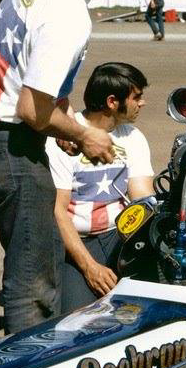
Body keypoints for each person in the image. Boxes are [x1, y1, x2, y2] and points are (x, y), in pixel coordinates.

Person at [0, 0, 142, 334]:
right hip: (9, 144)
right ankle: (30, 364)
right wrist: (83, 133)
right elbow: (32, 108)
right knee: (33, 275)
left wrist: (60, 127)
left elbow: (30, 68)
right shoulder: (70, 15)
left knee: (33, 256)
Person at [47, 63, 153, 312]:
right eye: (137, 97)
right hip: (77, 243)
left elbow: (143, 199)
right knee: (76, 319)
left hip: (119, 236)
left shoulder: (133, 136)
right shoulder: (64, 139)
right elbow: (58, 211)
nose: (143, 103)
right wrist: (89, 268)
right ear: (112, 102)